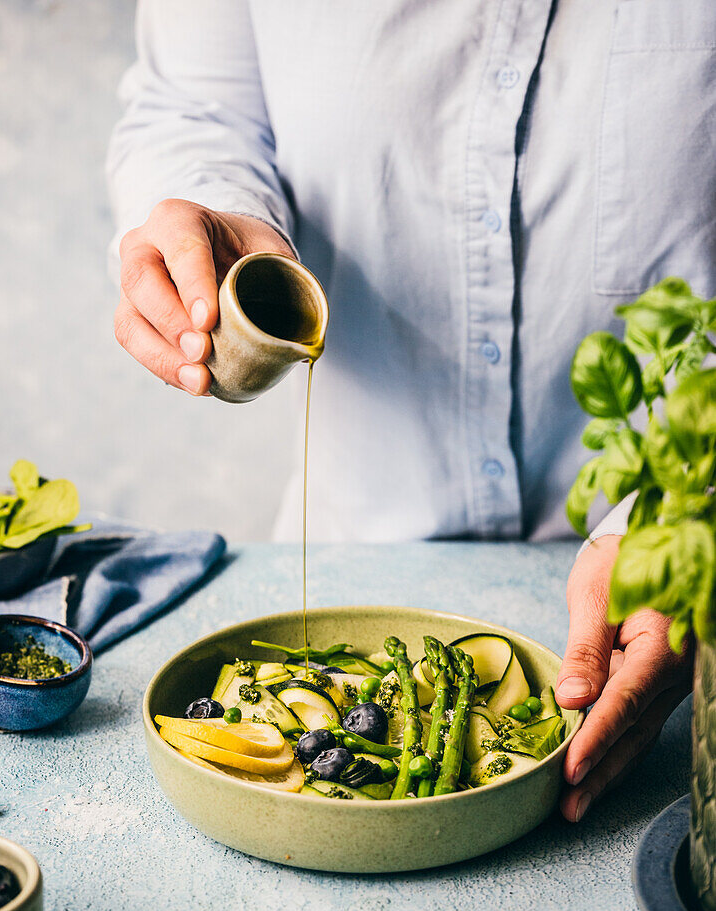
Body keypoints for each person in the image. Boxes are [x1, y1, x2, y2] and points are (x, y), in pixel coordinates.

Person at [108, 1, 713, 822]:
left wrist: (691, 520)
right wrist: (208, 212)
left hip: (668, 599)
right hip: (355, 544)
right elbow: (194, 108)